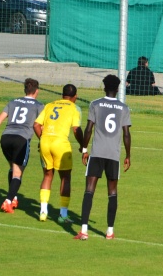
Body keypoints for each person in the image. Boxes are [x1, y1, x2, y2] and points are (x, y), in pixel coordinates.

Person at [73, 75, 132, 240]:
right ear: (118, 88)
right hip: (113, 155)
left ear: (104, 87)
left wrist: (84, 149)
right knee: (112, 192)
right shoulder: (123, 108)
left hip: (97, 153)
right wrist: (128, 155)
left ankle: (84, 230)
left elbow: (88, 129)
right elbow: (126, 134)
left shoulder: (95, 104)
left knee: (89, 189)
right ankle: (110, 232)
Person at [0, 78, 43, 214]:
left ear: (25, 90)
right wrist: (43, 140)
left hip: (5, 138)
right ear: (36, 91)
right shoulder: (39, 106)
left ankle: (14, 197)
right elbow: (40, 125)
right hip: (21, 140)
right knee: (18, 173)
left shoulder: (13, 102)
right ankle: (8, 201)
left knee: (12, 167)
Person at [33, 84, 84, 223]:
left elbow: (36, 125)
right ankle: (63, 215)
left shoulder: (49, 105)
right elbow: (76, 129)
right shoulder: (74, 108)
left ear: (62, 95)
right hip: (60, 144)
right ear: (75, 96)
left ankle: (43, 212)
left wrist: (42, 138)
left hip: (45, 142)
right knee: (65, 178)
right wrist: (83, 145)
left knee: (47, 176)